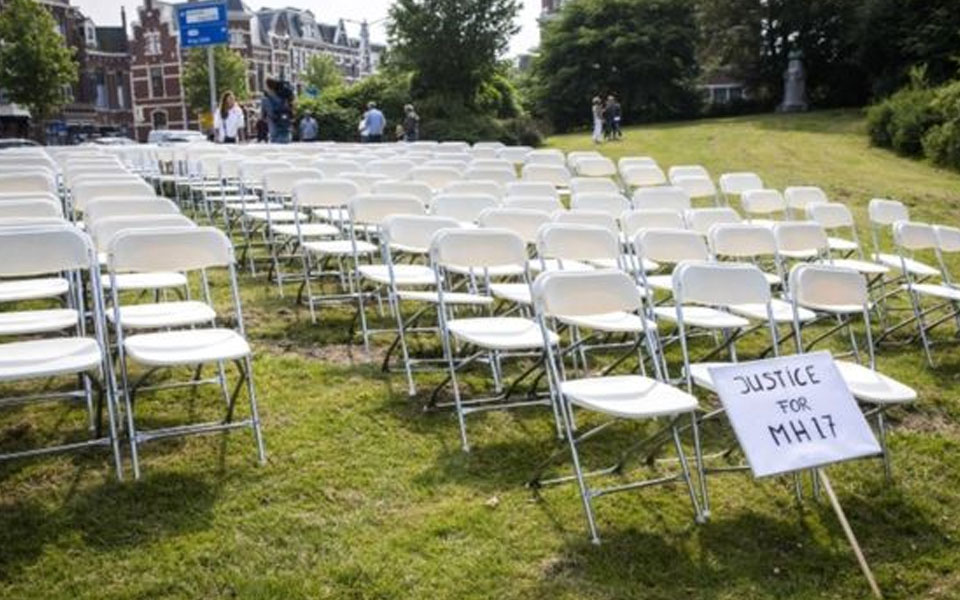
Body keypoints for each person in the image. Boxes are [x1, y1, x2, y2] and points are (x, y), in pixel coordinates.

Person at [261, 78, 294, 144]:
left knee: (274, 140)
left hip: (274, 122)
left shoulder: (265, 98)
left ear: (268, 86)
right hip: (284, 121)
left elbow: (264, 113)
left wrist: (264, 117)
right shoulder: (283, 95)